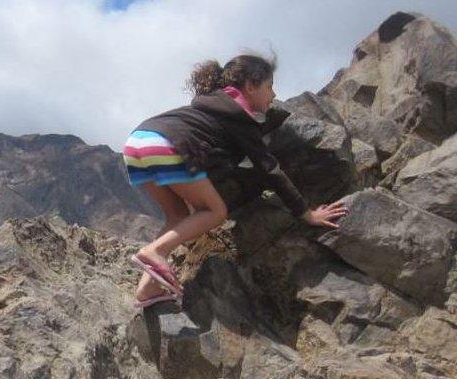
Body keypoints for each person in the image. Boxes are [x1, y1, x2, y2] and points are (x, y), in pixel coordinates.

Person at [123, 54, 348, 308]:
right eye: (269, 87)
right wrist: (306, 214)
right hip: (169, 146)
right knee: (215, 211)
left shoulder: (211, 105)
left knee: (177, 217)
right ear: (250, 87)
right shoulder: (240, 117)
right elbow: (270, 169)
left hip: (137, 142)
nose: (273, 95)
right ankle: (155, 252)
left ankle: (146, 290)